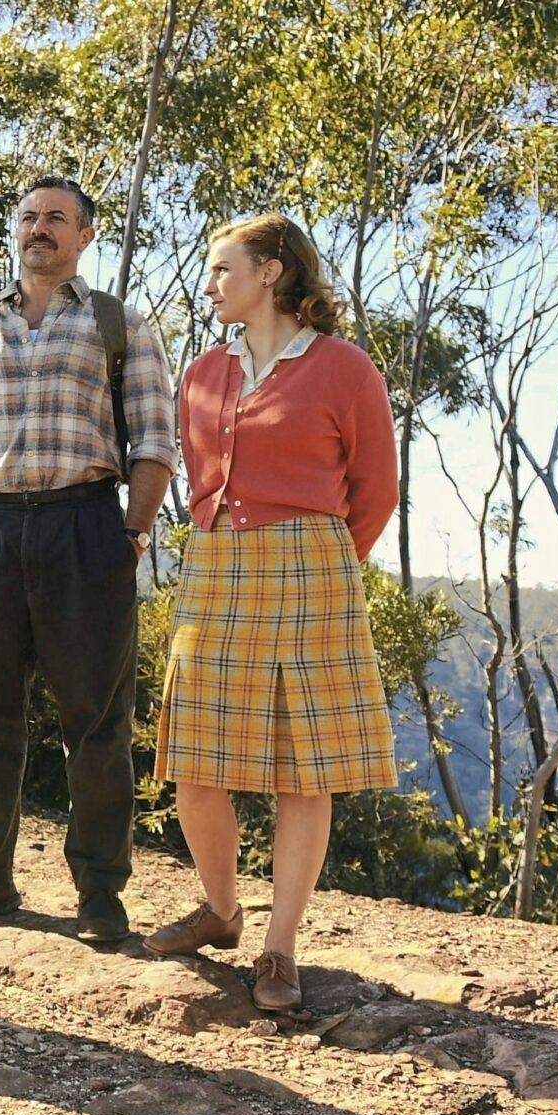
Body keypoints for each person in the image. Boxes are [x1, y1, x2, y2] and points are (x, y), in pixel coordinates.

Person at [0, 177, 179, 957]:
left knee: (96, 722)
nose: (39, 229)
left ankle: (99, 890)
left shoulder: (118, 324)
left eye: (56, 219)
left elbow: (155, 444)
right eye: (29, 217)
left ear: (84, 237)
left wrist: (127, 537)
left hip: (83, 528)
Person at [143, 213, 399, 1013]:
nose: (212, 283)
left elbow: (376, 491)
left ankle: (280, 946)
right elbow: (197, 479)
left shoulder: (345, 368)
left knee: (304, 768)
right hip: (217, 565)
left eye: (225, 268)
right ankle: (221, 910)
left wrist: (318, 559)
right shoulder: (200, 375)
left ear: (274, 272)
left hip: (312, 567)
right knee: (193, 760)